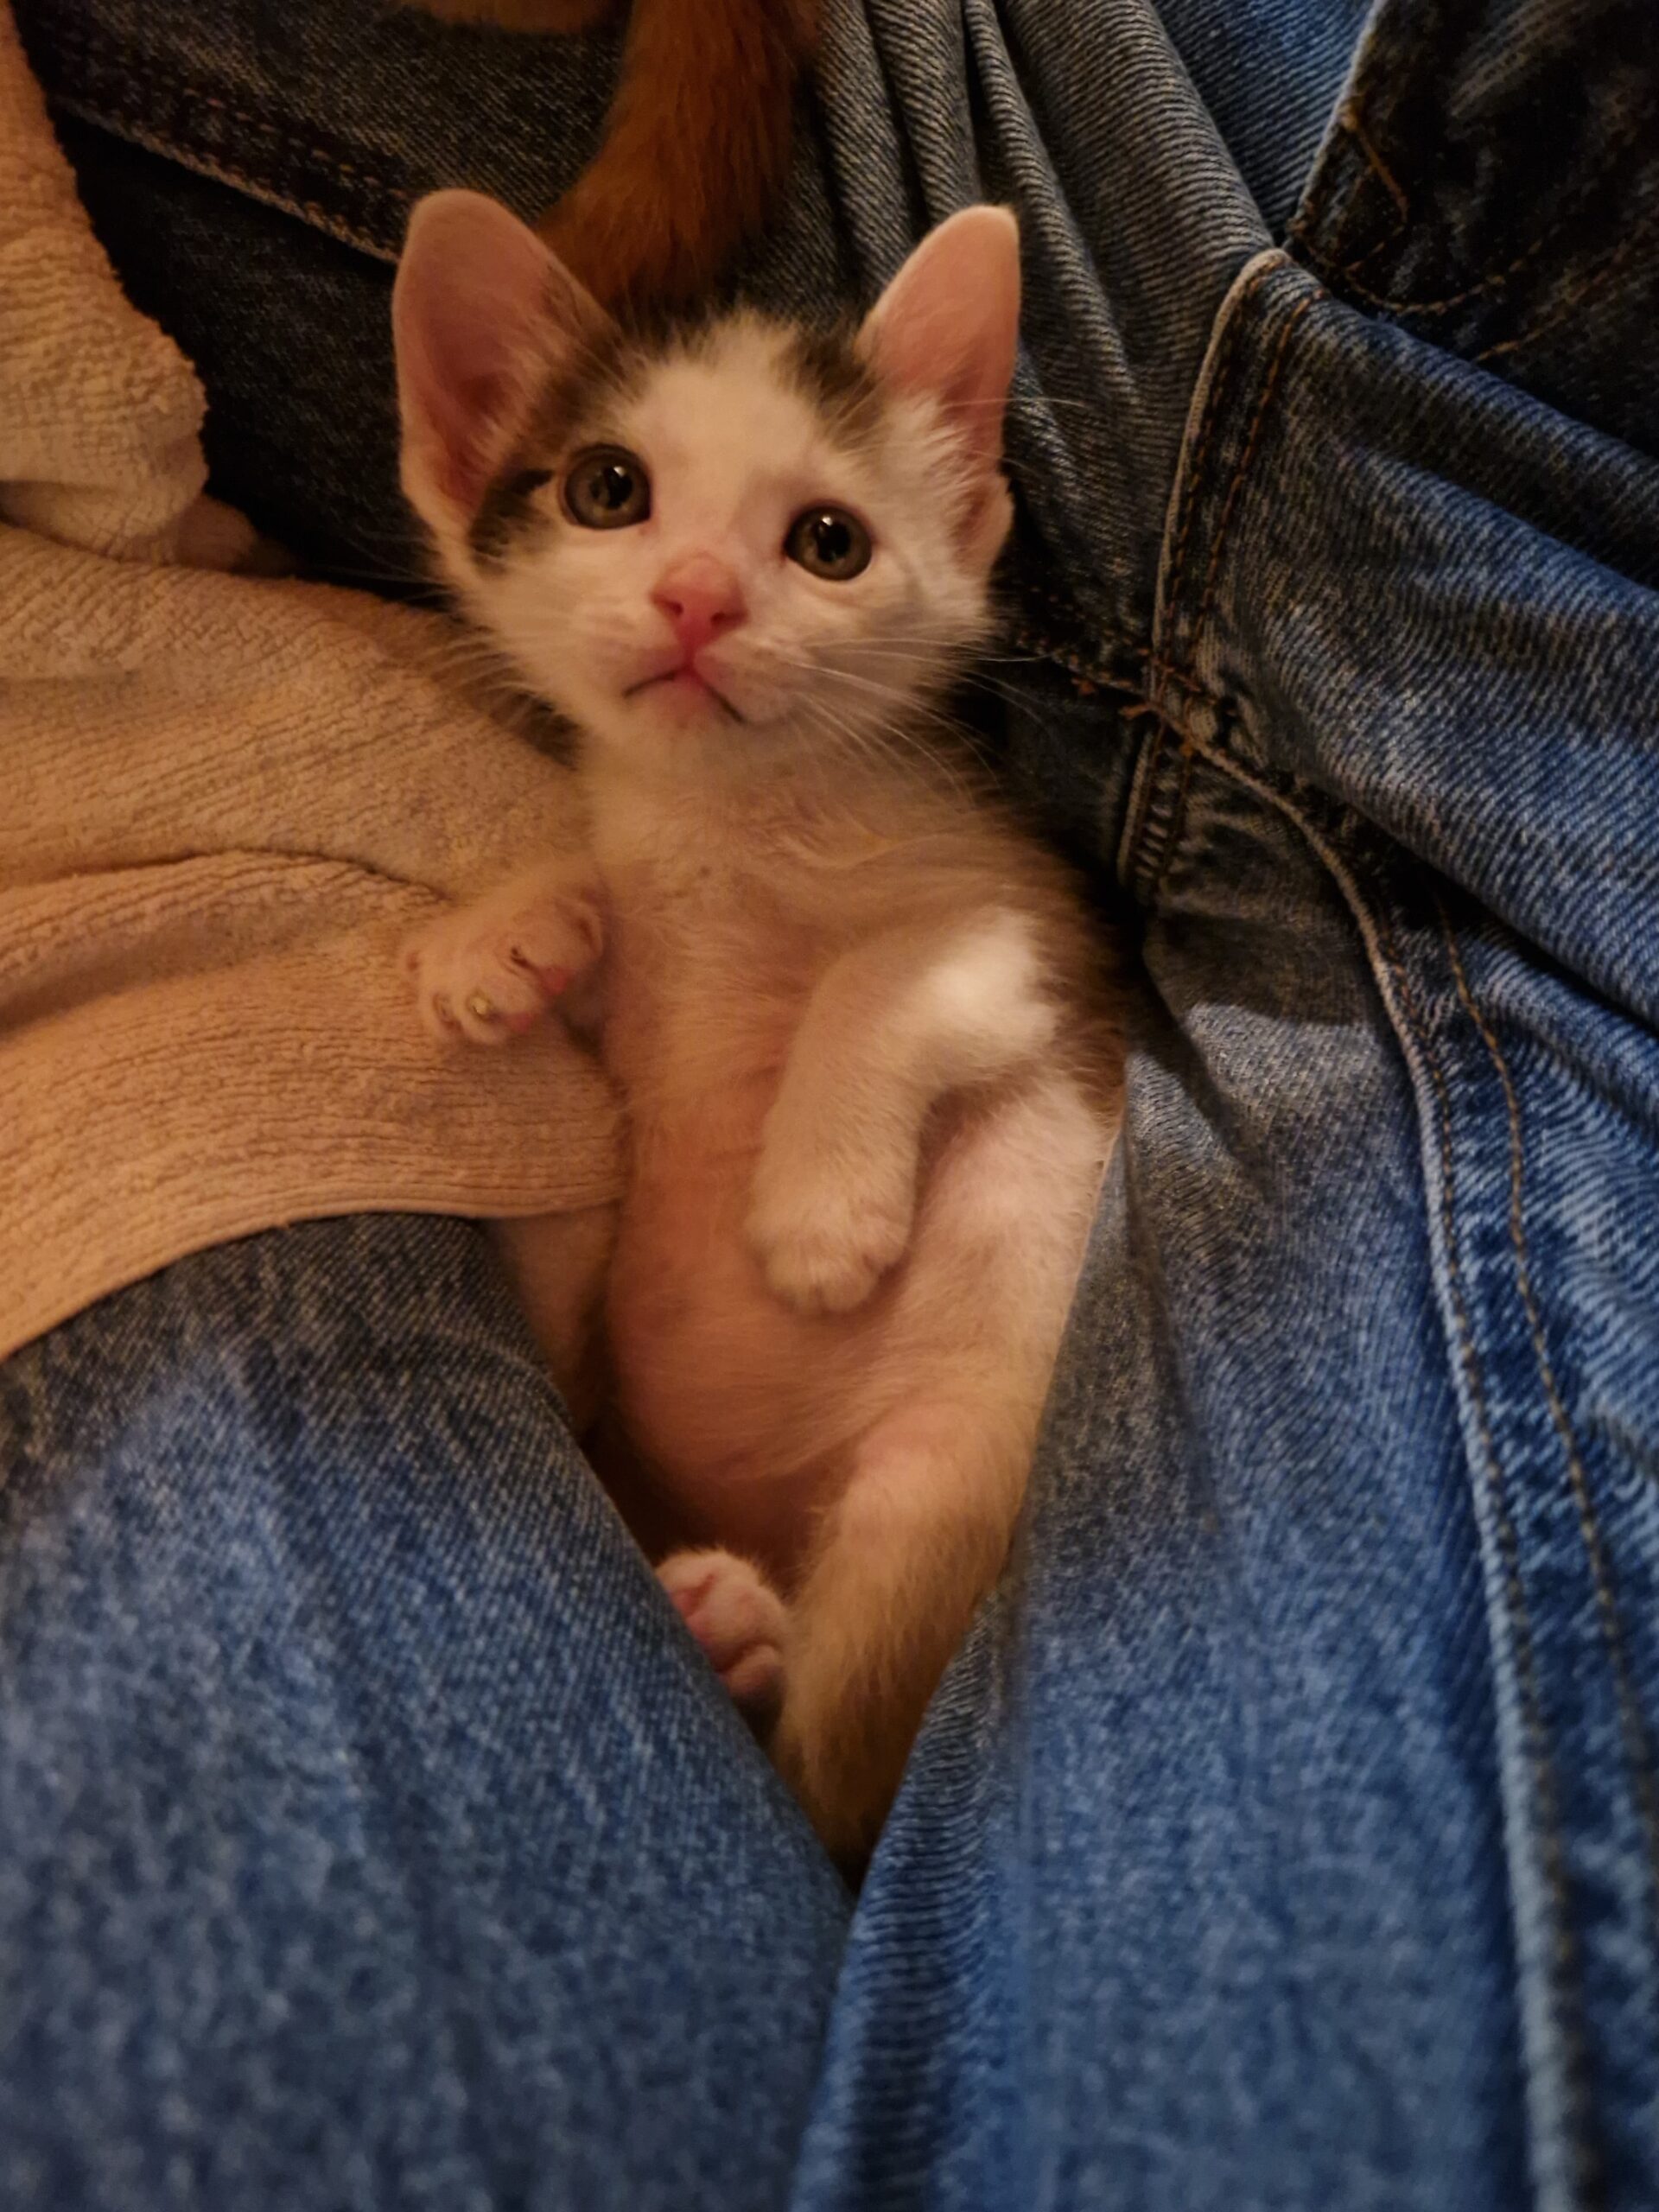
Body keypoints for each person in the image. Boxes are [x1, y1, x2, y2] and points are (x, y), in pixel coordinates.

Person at [3, 0, 1656, 2204]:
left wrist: (837, 1089)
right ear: (462, 457)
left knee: (949, 1473)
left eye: (826, 539)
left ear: (965, 511)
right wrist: (545, 934)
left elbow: (990, 973)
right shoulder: (589, 816)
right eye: (612, 494)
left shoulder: (894, 827)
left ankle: (819, 1770)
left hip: (902, 1390)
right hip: (687, 1409)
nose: (700, 588)